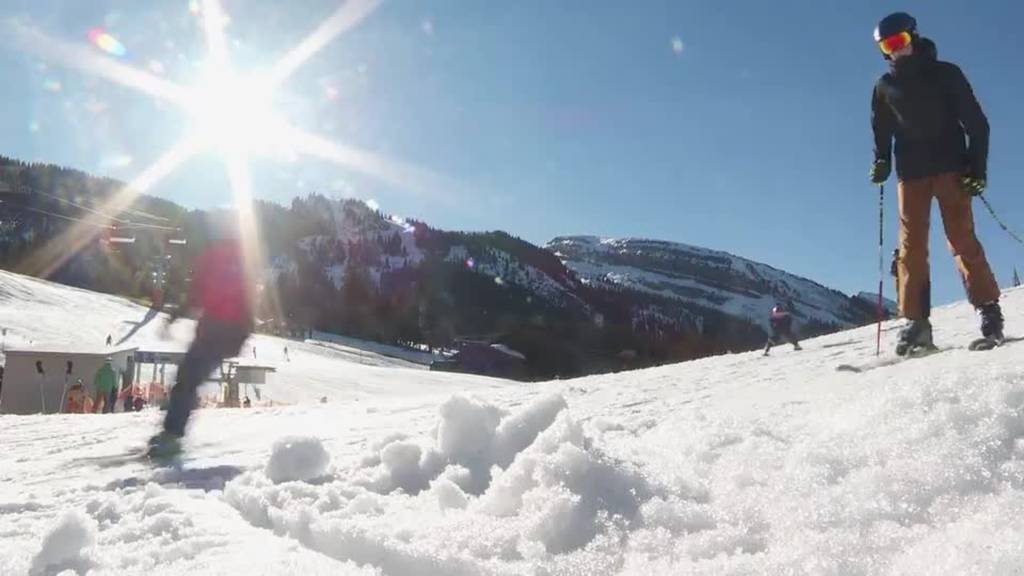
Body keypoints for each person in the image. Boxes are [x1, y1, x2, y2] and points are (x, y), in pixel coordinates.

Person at [870, 12, 1003, 355]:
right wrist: (881, 159)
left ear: (913, 37)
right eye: (887, 46)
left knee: (961, 238)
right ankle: (917, 324)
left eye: (899, 41)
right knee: (911, 248)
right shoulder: (885, 87)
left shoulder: (946, 74)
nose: (895, 50)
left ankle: (989, 311)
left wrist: (977, 169)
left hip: (950, 168)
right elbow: (881, 128)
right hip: (910, 174)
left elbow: (977, 124)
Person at [147, 212, 253, 460]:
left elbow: (199, 295)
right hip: (221, 335)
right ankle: (172, 430)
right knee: (187, 380)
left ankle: (172, 435)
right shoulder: (237, 261)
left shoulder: (217, 259)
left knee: (187, 380)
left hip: (216, 335)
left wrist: (174, 317)